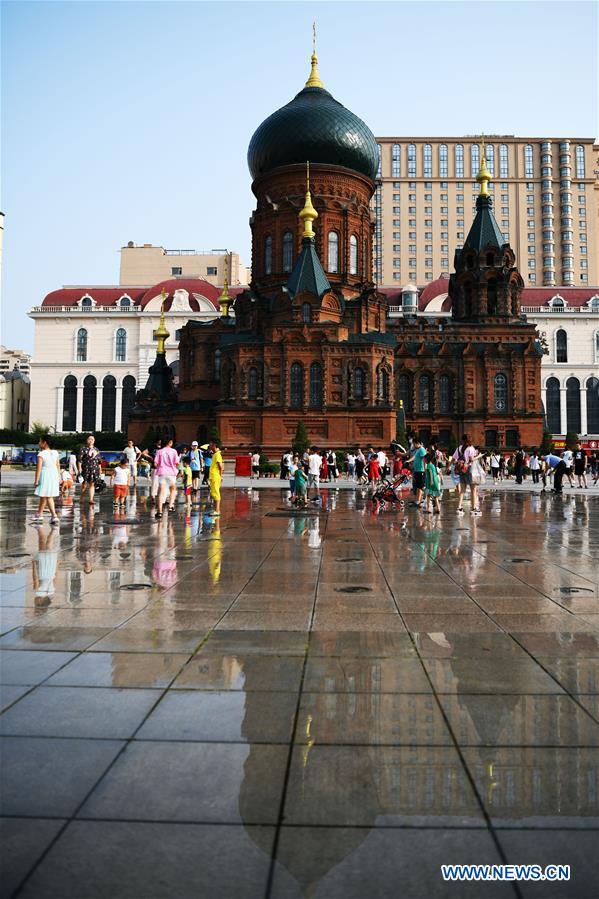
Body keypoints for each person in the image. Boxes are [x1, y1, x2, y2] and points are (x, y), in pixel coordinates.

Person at [32, 435, 61, 525]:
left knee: (47, 496)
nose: (38, 443)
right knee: (44, 495)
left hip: (45, 474)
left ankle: (54, 516)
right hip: (53, 474)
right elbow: (58, 466)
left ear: (44, 443)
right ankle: (39, 514)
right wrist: (59, 477)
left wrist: (36, 480)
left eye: (40, 441)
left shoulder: (41, 454)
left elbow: (39, 469)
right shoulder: (55, 452)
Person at [452, 434, 481, 515]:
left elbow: (453, 459)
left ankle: (459, 508)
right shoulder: (471, 449)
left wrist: (459, 463)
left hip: (461, 470)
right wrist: (479, 456)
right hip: (469, 470)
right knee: (473, 489)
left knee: (462, 490)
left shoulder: (459, 448)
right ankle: (473, 508)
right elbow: (471, 460)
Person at [154, 438, 180, 520]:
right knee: (172, 489)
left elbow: (155, 463)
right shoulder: (174, 451)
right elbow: (177, 463)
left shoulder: (159, 451)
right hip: (171, 473)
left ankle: (159, 512)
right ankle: (170, 506)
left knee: (161, 492)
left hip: (162, 472)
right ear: (170, 442)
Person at [78, 434, 102, 507]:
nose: (91, 440)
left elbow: (99, 461)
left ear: (94, 441)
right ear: (87, 440)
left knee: (92, 484)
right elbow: (79, 460)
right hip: (86, 469)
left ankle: (91, 499)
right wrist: (79, 469)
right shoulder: (83, 449)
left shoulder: (96, 449)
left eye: (92, 439)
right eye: (89, 439)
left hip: (94, 469)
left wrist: (100, 469)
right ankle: (82, 497)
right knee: (84, 484)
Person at [407, 438, 427, 507]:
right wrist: (408, 461)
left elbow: (425, 459)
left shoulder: (422, 450)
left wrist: (425, 470)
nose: (413, 445)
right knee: (418, 486)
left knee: (421, 487)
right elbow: (415, 457)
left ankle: (421, 500)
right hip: (417, 470)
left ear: (417, 443)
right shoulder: (418, 450)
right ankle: (418, 500)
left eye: (414, 444)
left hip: (421, 471)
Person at [208, 439, 223, 515]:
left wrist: (220, 476)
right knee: (213, 493)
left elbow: (220, 466)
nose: (209, 446)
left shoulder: (217, 454)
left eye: (210, 444)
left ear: (214, 445)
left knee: (216, 493)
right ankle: (215, 510)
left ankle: (217, 510)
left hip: (215, 476)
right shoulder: (215, 454)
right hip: (213, 476)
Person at [424, 450, 442, 514]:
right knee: (435, 496)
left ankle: (428, 508)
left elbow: (431, 473)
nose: (424, 460)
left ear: (427, 460)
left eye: (424, 459)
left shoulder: (428, 465)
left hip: (430, 482)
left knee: (428, 495)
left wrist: (431, 481)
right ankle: (438, 508)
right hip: (435, 481)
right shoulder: (433, 465)